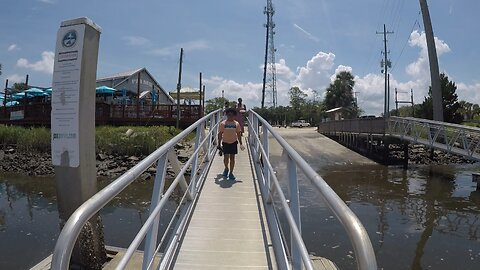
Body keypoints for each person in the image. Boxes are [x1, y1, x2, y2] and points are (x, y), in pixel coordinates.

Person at [218, 108, 244, 180]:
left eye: (232, 115)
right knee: (226, 157)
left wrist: (241, 144)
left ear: (234, 116)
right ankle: (226, 168)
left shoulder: (236, 124)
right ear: (226, 115)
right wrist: (219, 144)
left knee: (232, 158)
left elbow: (238, 134)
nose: (230, 117)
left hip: (233, 142)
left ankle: (231, 173)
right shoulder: (223, 124)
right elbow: (220, 134)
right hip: (225, 142)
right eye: (229, 115)